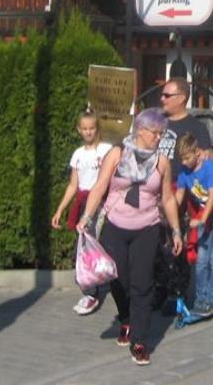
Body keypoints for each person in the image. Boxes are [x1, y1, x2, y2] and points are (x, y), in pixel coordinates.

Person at [77, 108, 183, 367]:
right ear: (140, 131)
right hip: (115, 225)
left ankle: (140, 340)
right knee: (118, 279)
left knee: (142, 283)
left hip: (147, 227)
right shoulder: (117, 154)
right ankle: (125, 318)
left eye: (161, 133)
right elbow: (100, 186)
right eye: (154, 133)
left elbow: (168, 198)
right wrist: (86, 217)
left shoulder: (161, 162)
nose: (158, 138)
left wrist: (176, 230)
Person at [156, 77, 213, 307]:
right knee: (154, 241)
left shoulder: (195, 127)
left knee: (176, 239)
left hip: (178, 191)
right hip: (154, 190)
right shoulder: (157, 122)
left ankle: (177, 291)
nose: (162, 99)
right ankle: (158, 287)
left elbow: (209, 157)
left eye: (167, 95)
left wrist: (205, 157)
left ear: (181, 98)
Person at [51, 110, 113, 316]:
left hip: (103, 203)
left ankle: (115, 282)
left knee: (106, 245)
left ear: (97, 129)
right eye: (84, 129)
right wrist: (60, 209)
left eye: (92, 128)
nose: (88, 132)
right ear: (79, 130)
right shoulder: (78, 154)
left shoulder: (106, 150)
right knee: (86, 247)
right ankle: (90, 292)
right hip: (84, 204)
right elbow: (73, 185)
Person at [175, 133, 213, 316]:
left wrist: (202, 220)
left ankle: (210, 300)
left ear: (197, 153)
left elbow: (212, 196)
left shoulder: (209, 167)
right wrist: (166, 208)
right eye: (182, 159)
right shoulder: (184, 171)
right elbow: (179, 196)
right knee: (201, 259)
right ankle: (200, 298)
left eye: (187, 158)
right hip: (205, 214)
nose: (184, 162)